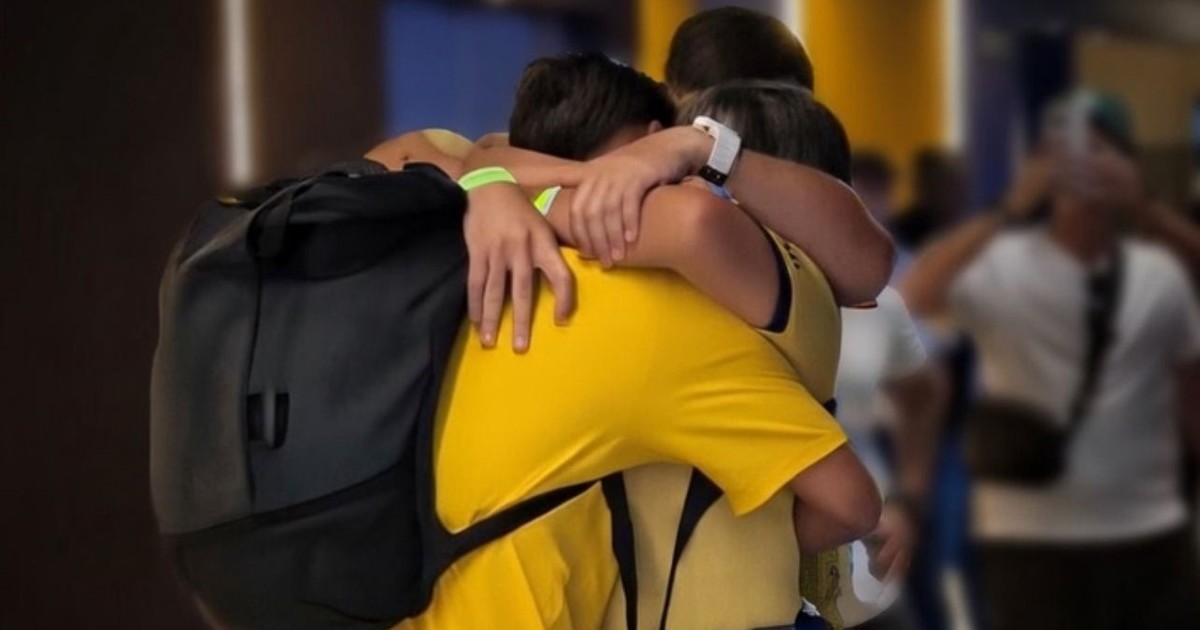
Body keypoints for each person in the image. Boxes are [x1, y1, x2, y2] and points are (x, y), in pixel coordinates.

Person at [378, 55, 882, 630]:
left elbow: (453, 154)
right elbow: (853, 505)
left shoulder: (498, 253)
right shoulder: (672, 316)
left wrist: (499, 187)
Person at [902, 89, 1200, 629]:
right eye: (1064, 151)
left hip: (1149, 532)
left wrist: (1146, 206)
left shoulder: (1160, 273)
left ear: (1128, 164)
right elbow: (916, 293)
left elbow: (1192, 397)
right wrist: (1010, 205)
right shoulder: (1000, 263)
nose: (1082, 166)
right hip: (1028, 538)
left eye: (1101, 151)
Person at [890, 148, 967, 252]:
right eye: (942, 185)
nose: (951, 193)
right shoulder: (900, 233)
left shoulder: (971, 227)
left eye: (956, 185)